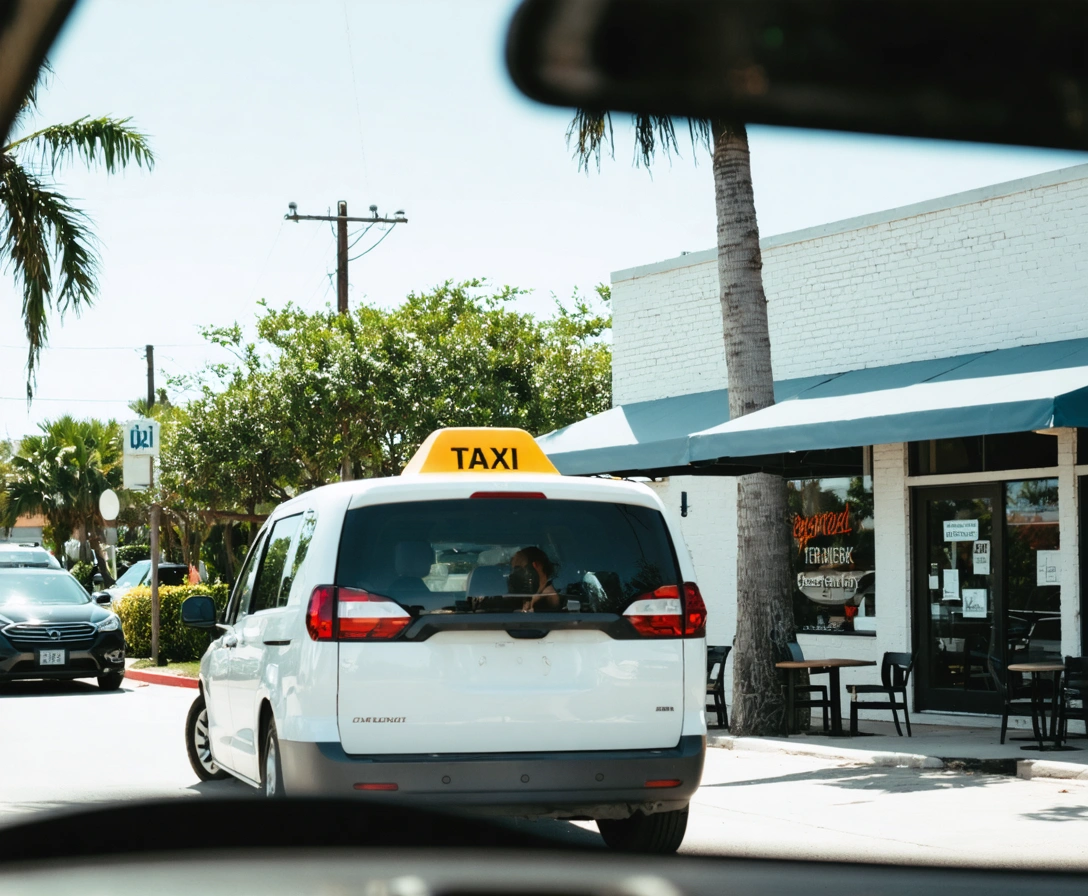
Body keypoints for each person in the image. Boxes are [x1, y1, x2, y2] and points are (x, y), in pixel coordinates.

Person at [509, 546, 560, 612]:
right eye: (513, 570)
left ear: (536, 565)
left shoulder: (550, 597)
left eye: (518, 569)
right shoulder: (523, 593)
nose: (514, 574)